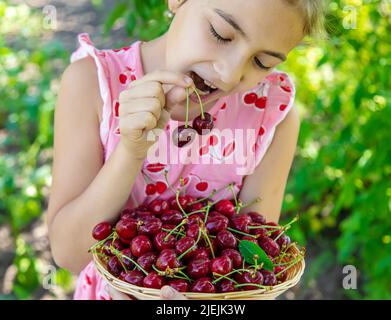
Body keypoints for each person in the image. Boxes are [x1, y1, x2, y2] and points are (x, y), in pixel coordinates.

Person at [46, 0, 325, 300]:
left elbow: (253, 266)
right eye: (221, 34)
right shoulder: (93, 85)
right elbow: (69, 253)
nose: (230, 74)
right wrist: (131, 151)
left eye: (261, 63)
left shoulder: (269, 117)